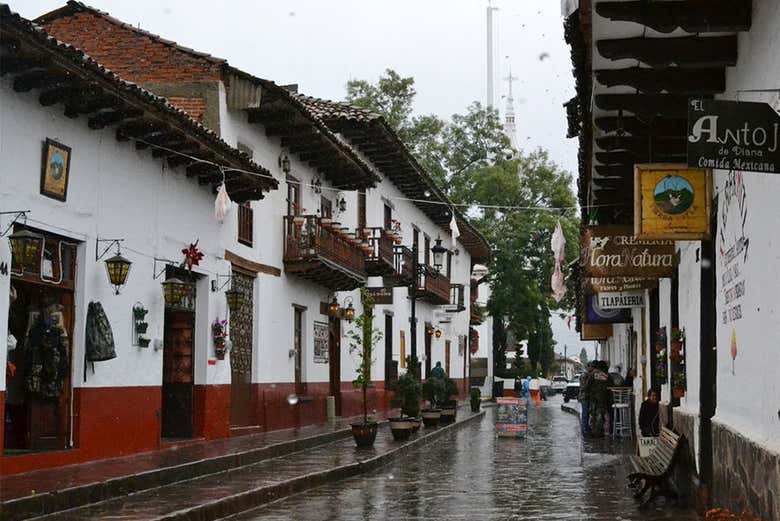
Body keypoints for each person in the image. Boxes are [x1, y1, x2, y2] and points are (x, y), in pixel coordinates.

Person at [587, 361, 610, 437]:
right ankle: (600, 432)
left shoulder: (593, 374)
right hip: (603, 398)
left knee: (593, 415)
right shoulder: (606, 375)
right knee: (601, 414)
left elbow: (588, 385)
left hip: (594, 398)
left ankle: (594, 432)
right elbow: (610, 385)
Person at [578, 362, 594, 436]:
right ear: (588, 367)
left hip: (587, 396)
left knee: (587, 413)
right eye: (591, 367)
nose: (593, 368)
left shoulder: (588, 375)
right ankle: (585, 429)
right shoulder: (584, 375)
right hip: (584, 396)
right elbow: (584, 387)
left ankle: (587, 428)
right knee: (585, 413)